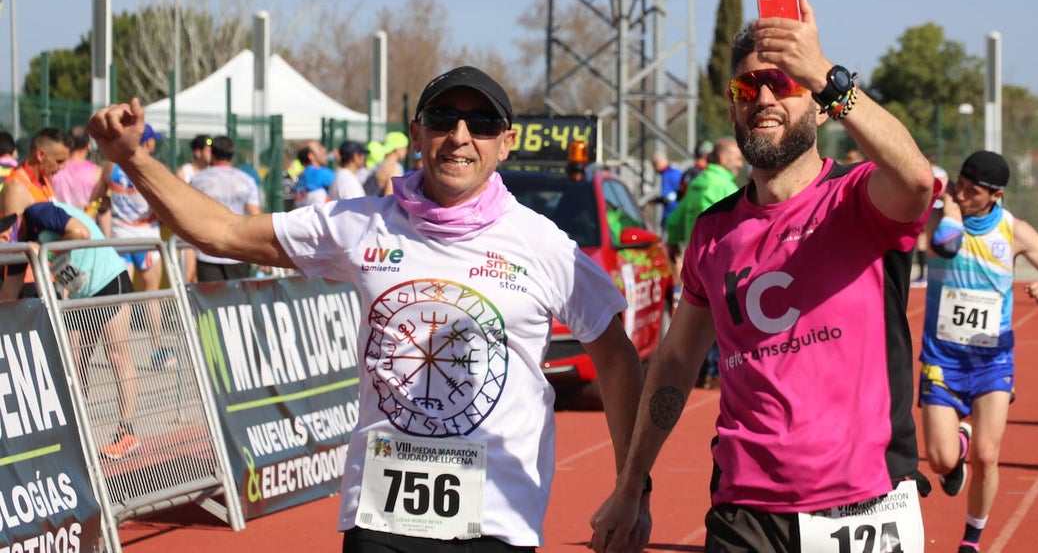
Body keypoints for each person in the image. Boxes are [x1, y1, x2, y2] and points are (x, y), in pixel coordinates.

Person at [87, 64, 648, 552]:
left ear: (505, 142)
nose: (459, 137)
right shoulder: (362, 223)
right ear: (415, 133)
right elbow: (222, 232)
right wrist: (132, 158)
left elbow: (619, 360)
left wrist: (631, 490)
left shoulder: (543, 244)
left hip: (496, 521)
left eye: (480, 125)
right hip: (382, 515)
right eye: (442, 118)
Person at [590, 0, 938, 553]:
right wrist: (632, 486)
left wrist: (825, 74)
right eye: (748, 89)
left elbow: (917, 180)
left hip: (863, 505)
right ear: (732, 109)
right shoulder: (714, 232)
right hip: (744, 510)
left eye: (786, 84)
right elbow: (677, 362)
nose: (766, 99)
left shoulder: (860, 199)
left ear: (821, 105)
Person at [919, 150, 1038, 553]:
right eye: (960, 184)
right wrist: (953, 209)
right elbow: (945, 247)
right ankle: (958, 440)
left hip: (993, 359)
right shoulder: (939, 217)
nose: (961, 193)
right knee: (941, 461)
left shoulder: (1015, 231)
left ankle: (970, 542)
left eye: (972, 191)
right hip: (942, 357)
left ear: (996, 195)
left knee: (987, 456)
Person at [3, 200, 142, 460]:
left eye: (3, 234)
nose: (3, 240)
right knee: (73, 364)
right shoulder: (21, 246)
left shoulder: (38, 212)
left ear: (13, 223)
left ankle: (127, 431)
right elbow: (8, 296)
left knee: (117, 355)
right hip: (82, 293)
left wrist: (44, 251)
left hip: (110, 280)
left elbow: (80, 233)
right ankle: (76, 433)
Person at [89, 123, 174, 370]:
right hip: (147, 240)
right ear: (146, 143)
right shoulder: (155, 169)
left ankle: (120, 351)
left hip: (120, 240)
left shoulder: (110, 168)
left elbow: (96, 199)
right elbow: (166, 207)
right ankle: (157, 349)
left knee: (120, 300)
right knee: (152, 298)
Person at [663, 137, 744, 388]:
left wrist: (675, 243)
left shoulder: (697, 183)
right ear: (722, 158)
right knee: (724, 314)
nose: (741, 163)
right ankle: (716, 373)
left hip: (695, 259)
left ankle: (701, 371)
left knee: (698, 315)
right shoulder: (725, 187)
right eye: (736, 157)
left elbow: (675, 218)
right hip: (723, 259)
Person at [1, 128, 69, 297]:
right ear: (41, 155)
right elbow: (14, 245)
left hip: (48, 274)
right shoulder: (16, 188)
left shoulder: (43, 181)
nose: (62, 167)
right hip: (30, 282)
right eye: (59, 161)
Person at [187, 135, 262, 282]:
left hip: (208, 251)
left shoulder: (198, 180)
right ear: (232, 155)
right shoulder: (246, 180)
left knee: (210, 302)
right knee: (239, 303)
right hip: (238, 252)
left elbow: (190, 215)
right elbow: (255, 216)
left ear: (212, 154)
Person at [52, 129, 102, 214]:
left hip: (56, 222)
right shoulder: (97, 172)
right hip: (86, 224)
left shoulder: (54, 169)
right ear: (88, 146)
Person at [291, 140, 335, 207]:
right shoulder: (320, 173)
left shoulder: (300, 178)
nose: (324, 150)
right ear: (311, 156)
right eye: (319, 148)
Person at [649, 150, 683, 229]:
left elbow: (668, 198)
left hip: (673, 217)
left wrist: (656, 201)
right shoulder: (677, 173)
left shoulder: (668, 175)